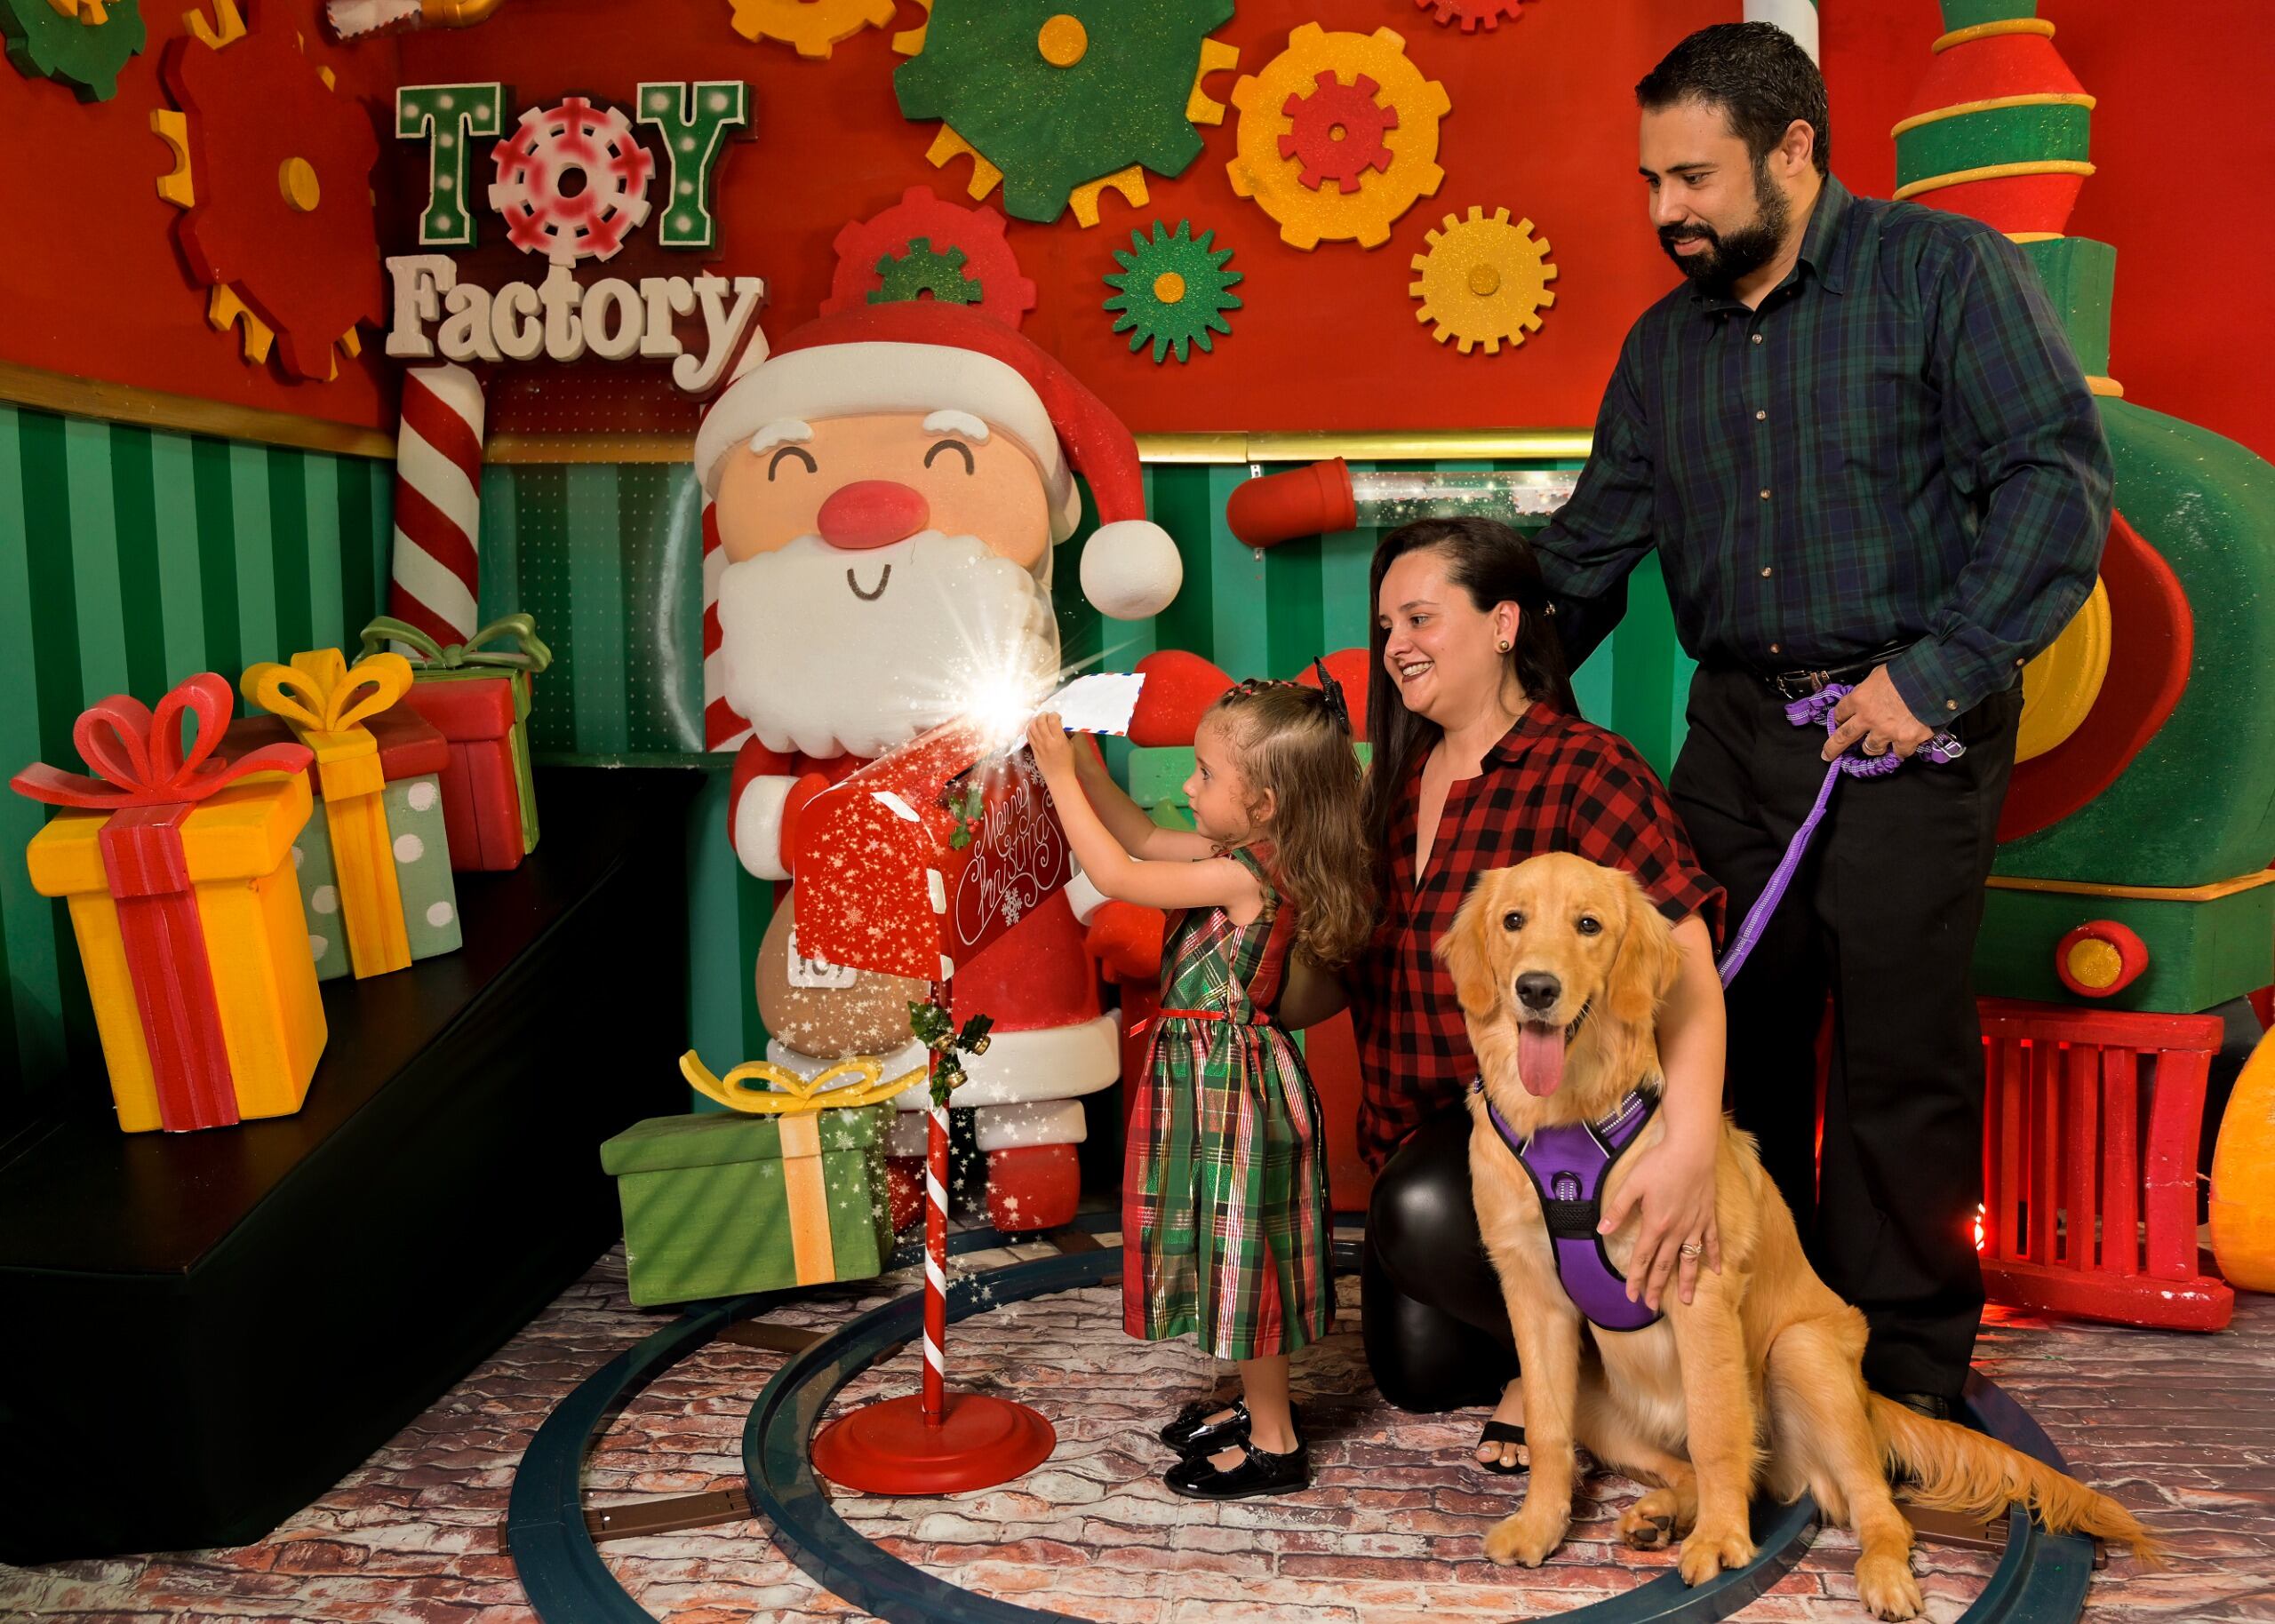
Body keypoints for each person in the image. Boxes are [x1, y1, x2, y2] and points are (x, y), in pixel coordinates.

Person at [1529, 23, 2112, 1417]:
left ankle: (1905, 1377)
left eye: (1695, 177)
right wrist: (1463, 658)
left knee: (1899, 1064)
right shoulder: (1662, 350)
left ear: (1794, 148)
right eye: (1653, 182)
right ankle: (1751, 1333)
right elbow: (1586, 555)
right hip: (1737, 732)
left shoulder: (1941, 272)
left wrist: (1936, 673)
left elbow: (2054, 479)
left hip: (1911, 720)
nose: (1667, 211)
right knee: (1723, 1042)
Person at [1283, 516, 1728, 1475]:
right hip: (1421, 1145)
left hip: (1553, 1138)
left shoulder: (1584, 767)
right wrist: (1244, 960)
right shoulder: (1394, 786)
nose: (1395, 642)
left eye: (1420, 616)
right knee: (1416, 1376)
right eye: (1386, 622)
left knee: (1418, 1209)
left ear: (1501, 624)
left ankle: (1582, 1364)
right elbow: (1342, 973)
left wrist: (1690, 1148)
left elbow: (1687, 960)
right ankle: (1544, 1332)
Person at [1024, 673, 1370, 1499]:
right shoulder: (1240, 854)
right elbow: (1139, 834)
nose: (1188, 787)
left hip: (1235, 1095)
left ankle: (1276, 1444)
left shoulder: (1247, 877)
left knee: (1248, 1268)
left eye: (1207, 775)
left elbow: (1116, 873)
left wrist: (1058, 778)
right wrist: (1089, 766)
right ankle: (1259, 1411)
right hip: (1208, 1088)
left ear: (1267, 803)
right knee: (1229, 1258)